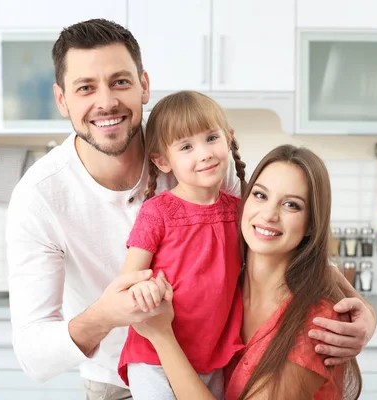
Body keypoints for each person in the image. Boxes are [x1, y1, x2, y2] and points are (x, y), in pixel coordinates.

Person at [5, 18, 376, 400]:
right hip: (121, 380)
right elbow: (35, 356)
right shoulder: (39, 198)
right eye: (86, 88)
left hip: (215, 364)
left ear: (143, 85)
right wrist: (111, 314)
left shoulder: (198, 155)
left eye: (120, 81)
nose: (106, 102)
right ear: (62, 99)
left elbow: (265, 236)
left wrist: (363, 309)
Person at [135, 144, 364, 399]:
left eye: (291, 205)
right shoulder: (224, 288)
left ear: (311, 224)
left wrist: (161, 337)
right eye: (260, 195)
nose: (268, 215)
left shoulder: (317, 322)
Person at [116, 90, 246, 399]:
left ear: (228, 139)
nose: (204, 153)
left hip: (214, 355)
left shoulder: (240, 211)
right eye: (186, 146)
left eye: (211, 138)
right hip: (153, 356)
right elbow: (126, 282)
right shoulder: (157, 212)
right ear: (162, 161)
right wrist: (142, 289)